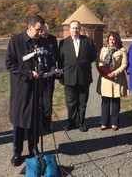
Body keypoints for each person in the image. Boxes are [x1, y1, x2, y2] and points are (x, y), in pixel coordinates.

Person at [5, 15, 51, 166]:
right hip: (21, 88)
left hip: (38, 87)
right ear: (29, 26)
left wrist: (51, 70)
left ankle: (33, 148)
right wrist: (29, 74)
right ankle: (17, 153)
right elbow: (10, 64)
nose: (40, 33)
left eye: (42, 30)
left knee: (35, 119)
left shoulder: (43, 41)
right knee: (19, 120)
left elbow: (47, 60)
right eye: (38, 30)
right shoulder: (16, 41)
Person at [58, 20, 97, 132]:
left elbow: (93, 56)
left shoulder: (88, 41)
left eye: (77, 28)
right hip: (69, 76)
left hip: (83, 76)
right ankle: (71, 122)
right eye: (73, 28)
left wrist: (83, 64)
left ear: (80, 29)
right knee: (70, 102)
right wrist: (62, 76)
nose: (75, 30)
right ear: (69, 29)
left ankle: (81, 122)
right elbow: (60, 61)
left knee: (82, 102)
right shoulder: (63, 43)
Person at [96, 32, 128, 131]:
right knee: (105, 101)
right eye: (110, 39)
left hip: (116, 79)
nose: (112, 41)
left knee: (115, 101)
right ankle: (104, 122)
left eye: (114, 39)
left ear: (117, 40)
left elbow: (124, 64)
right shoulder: (104, 49)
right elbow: (100, 61)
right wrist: (103, 70)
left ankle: (114, 122)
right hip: (105, 78)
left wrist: (114, 73)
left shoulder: (122, 51)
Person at [39, 23, 59, 132]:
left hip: (50, 73)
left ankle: (48, 122)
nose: (43, 33)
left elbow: (56, 54)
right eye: (41, 31)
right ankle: (39, 121)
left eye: (44, 31)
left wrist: (51, 59)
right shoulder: (37, 40)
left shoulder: (52, 39)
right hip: (39, 74)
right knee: (39, 99)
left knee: (48, 99)